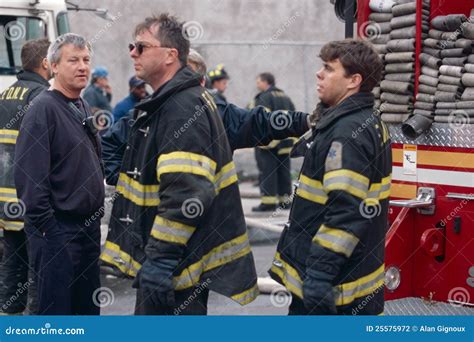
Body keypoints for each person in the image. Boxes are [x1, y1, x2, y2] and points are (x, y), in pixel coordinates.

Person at [101, 13, 258, 315]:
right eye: (132, 46)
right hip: (171, 263)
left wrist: (160, 260)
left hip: (174, 267)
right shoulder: (168, 102)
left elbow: (185, 195)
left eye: (142, 47)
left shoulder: (181, 108)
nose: (133, 53)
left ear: (171, 55)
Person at [268, 39, 391, 315]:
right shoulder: (364, 120)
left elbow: (346, 212)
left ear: (353, 81)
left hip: (334, 286)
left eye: (329, 68)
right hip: (351, 280)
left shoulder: (346, 133)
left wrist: (319, 276)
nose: (319, 74)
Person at [101, 49, 311, 186]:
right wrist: (127, 182)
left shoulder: (218, 113)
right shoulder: (147, 114)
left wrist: (307, 121)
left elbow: (260, 121)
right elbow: (110, 143)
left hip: (208, 226)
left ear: (202, 82)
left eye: (185, 77)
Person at [14, 33, 105, 315]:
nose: (82, 67)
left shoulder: (81, 106)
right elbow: (30, 181)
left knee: (87, 314)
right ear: (53, 66)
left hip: (87, 232)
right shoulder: (42, 110)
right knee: (56, 316)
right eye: (73, 60)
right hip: (58, 234)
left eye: (86, 60)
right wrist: (51, 234)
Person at [0, 38, 51, 315]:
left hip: (6, 199)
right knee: (36, 266)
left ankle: (8, 316)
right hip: (29, 197)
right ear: (45, 62)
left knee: (11, 259)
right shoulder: (40, 97)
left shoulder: (5, 94)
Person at [251, 72, 296, 212]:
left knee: (268, 172)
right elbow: (294, 116)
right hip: (286, 142)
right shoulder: (285, 97)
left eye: (258, 81)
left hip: (270, 143)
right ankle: (285, 202)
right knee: (284, 172)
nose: (257, 84)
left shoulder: (264, 97)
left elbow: (261, 119)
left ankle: (268, 203)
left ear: (265, 82)